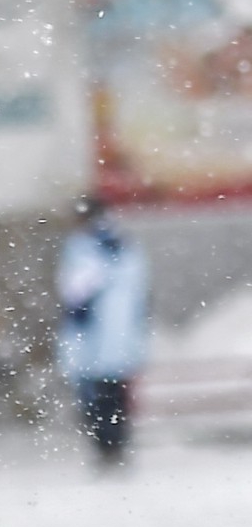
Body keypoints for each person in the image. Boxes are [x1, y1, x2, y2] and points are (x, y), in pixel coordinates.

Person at [58, 194, 150, 462]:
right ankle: (116, 444)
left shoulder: (83, 247)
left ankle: (107, 446)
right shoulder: (124, 245)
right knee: (116, 394)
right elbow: (140, 291)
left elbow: (77, 292)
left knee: (97, 397)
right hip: (120, 334)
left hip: (95, 337)